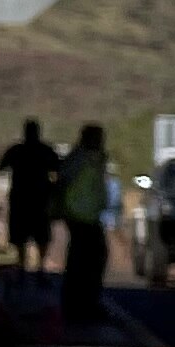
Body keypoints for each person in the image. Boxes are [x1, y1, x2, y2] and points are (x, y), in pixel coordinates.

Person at [53, 123, 112, 326]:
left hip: (88, 216)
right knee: (84, 262)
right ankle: (79, 305)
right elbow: (63, 182)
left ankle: (84, 304)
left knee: (89, 261)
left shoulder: (93, 159)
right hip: (79, 217)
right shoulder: (80, 159)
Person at [0, 118, 61, 274]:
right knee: (40, 235)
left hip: (22, 198)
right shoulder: (45, 151)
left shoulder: (16, 151)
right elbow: (59, 170)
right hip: (39, 199)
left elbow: (1, 167)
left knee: (22, 235)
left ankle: (23, 267)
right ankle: (39, 268)